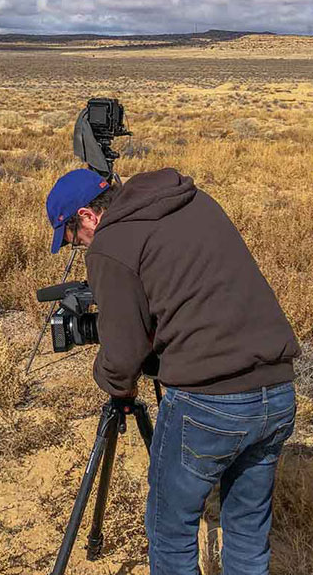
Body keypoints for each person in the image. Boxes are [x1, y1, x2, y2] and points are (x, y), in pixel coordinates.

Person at [45, 167, 300, 575]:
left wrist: (112, 381)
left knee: (171, 532)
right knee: (248, 530)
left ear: (88, 216)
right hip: (278, 388)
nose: (80, 248)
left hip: (210, 401)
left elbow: (124, 355)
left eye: (74, 238)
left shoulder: (111, 244)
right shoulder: (192, 200)